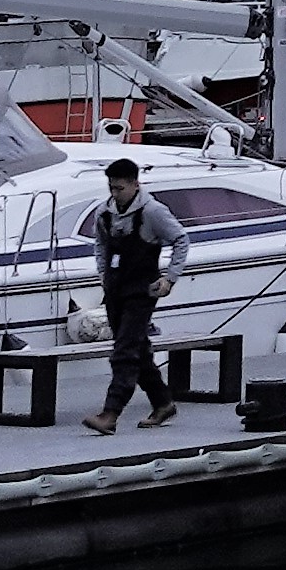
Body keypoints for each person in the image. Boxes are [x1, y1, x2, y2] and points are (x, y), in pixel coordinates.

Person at [82, 156, 191, 434]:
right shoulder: (103, 213)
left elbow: (181, 239)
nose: (114, 193)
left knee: (124, 352)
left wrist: (170, 277)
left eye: (119, 188)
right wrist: (103, 275)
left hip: (143, 290)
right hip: (115, 289)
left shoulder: (152, 211)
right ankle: (163, 403)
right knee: (137, 350)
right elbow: (101, 245)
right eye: (111, 188)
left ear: (134, 184)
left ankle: (110, 413)